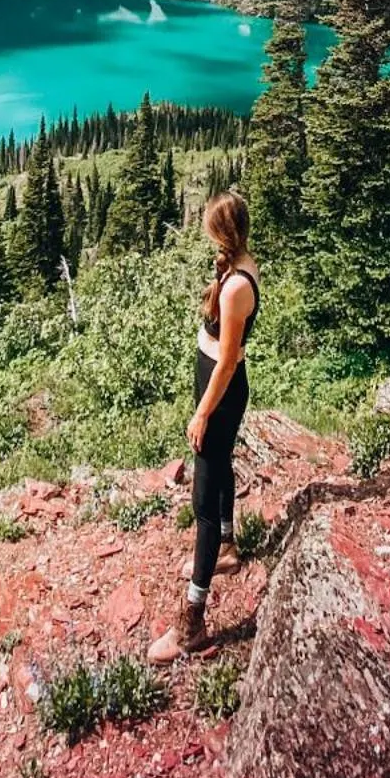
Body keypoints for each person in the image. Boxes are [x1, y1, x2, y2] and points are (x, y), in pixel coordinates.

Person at [148, 191, 259, 662]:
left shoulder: (236, 286)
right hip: (218, 388)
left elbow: (229, 361)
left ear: (223, 233)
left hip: (220, 391)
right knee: (220, 469)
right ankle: (228, 547)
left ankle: (192, 620)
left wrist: (201, 413)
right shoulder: (241, 265)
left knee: (202, 503)